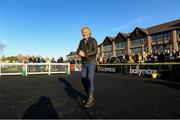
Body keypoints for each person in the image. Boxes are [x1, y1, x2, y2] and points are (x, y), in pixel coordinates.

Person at [76, 26, 98, 108]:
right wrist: (79, 52)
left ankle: (91, 99)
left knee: (89, 78)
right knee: (83, 79)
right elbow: (77, 50)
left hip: (91, 62)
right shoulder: (81, 41)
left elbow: (95, 51)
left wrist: (85, 54)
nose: (83, 34)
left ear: (89, 32)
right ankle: (88, 96)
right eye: (82, 33)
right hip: (84, 63)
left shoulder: (93, 40)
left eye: (85, 32)